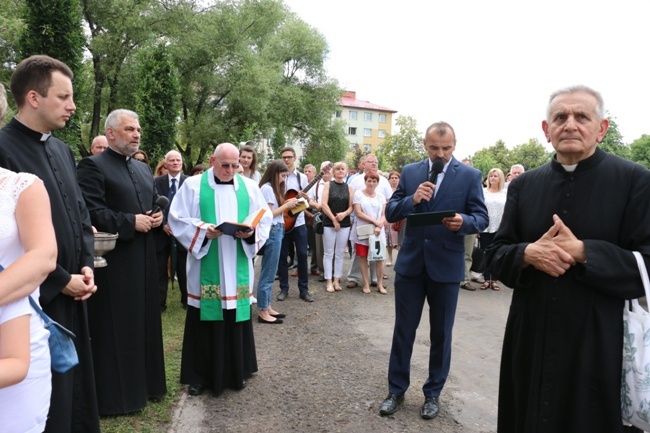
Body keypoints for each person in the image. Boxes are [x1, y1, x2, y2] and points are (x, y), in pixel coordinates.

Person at [485, 85, 650, 433]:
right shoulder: (524, 186)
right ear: (546, 131)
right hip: (531, 336)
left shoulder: (635, 181)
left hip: (600, 343)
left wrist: (586, 252)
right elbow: (495, 256)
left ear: (601, 128)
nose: (570, 124)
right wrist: (526, 253)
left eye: (582, 117)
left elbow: (647, 266)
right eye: (560, 117)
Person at [0, 55, 101, 433]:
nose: (72, 106)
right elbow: (16, 242)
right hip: (28, 296)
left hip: (76, 286)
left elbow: (79, 213)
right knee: (43, 396)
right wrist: (62, 279)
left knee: (75, 383)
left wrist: (87, 263)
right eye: (64, 97)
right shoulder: (4, 148)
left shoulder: (61, 149)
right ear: (34, 97)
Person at [380, 121, 488, 420]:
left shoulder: (469, 175)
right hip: (412, 265)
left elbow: (481, 217)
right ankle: (396, 390)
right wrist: (411, 199)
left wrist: (464, 222)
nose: (440, 154)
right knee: (404, 330)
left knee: (441, 334)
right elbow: (390, 211)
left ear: (455, 145)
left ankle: (433, 394)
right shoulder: (412, 172)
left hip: (446, 267)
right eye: (434, 148)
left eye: (447, 148)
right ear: (425, 145)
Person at [77, 109, 167, 415]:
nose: (137, 134)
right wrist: (130, 222)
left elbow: (151, 204)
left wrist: (157, 216)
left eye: (138, 129)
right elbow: (89, 211)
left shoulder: (142, 170)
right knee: (118, 328)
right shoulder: (92, 166)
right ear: (111, 133)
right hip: (114, 264)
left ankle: (148, 385)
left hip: (144, 259)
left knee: (145, 322)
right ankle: (117, 397)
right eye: (130, 129)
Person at [168, 142, 272, 396]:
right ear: (213, 160)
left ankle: (238, 371)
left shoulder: (248, 186)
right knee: (206, 317)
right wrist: (204, 231)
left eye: (235, 165)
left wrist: (248, 233)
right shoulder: (193, 186)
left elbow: (264, 216)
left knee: (236, 315)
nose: (229, 170)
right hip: (207, 263)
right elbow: (177, 218)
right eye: (224, 165)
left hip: (237, 261)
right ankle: (200, 376)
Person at [257, 160, 298, 323]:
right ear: (274, 174)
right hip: (273, 230)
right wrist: (287, 205)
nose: (283, 180)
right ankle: (262, 310)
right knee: (268, 273)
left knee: (270, 270)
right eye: (282, 176)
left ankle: (266, 306)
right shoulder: (267, 188)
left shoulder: (272, 188)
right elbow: (268, 214)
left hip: (277, 229)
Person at [346, 154, 392, 289]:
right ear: (363, 163)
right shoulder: (355, 180)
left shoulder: (383, 181)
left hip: (379, 224)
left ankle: (375, 279)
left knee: (377, 254)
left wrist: (383, 221)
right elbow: (351, 200)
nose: (374, 164)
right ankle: (354, 278)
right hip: (361, 223)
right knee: (359, 254)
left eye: (376, 162)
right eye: (371, 162)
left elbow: (388, 202)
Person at [276, 147, 314, 302]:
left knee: (303, 255)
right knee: (282, 255)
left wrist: (304, 199)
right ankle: (284, 289)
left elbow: (307, 202)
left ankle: (303, 290)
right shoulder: (278, 176)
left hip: (298, 222)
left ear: (295, 158)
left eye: (289, 157)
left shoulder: (302, 178)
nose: (286, 160)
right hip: (282, 222)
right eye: (284, 157)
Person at [154, 150, 188, 311]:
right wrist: (163, 224)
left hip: (182, 233)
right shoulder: (155, 182)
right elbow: (153, 204)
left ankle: (187, 300)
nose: (175, 162)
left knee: (184, 267)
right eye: (172, 160)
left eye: (178, 160)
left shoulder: (189, 182)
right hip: (162, 232)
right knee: (160, 268)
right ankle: (159, 302)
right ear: (165, 164)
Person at [350, 171, 387, 294]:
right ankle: (366, 284)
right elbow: (359, 213)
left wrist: (379, 224)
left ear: (377, 183)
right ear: (365, 181)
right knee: (363, 257)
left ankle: (380, 284)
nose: (371, 183)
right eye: (369, 181)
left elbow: (383, 214)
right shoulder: (358, 194)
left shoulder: (381, 197)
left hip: (377, 232)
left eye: (374, 181)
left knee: (379, 258)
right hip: (363, 231)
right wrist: (375, 222)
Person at [320, 161, 353, 292]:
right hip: (329, 222)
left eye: (342, 169)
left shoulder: (349, 187)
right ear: (333, 172)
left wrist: (344, 214)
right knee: (328, 253)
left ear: (346, 172)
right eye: (338, 169)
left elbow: (351, 206)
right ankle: (328, 281)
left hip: (344, 223)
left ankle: (336, 280)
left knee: (339, 253)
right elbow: (324, 204)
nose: (340, 171)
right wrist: (334, 219)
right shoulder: (328, 185)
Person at [478, 168, 507, 291]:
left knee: (497, 254)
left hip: (500, 227)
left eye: (495, 176)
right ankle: (486, 279)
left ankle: (494, 280)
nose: (493, 178)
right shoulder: (483, 192)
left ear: (500, 178)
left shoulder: (505, 193)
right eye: (491, 176)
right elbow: (479, 209)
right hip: (485, 227)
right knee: (486, 253)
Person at [386, 170, 401, 267]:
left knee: (400, 239)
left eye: (396, 178)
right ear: (389, 180)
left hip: (400, 217)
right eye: (392, 178)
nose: (394, 180)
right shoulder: (387, 190)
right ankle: (390, 257)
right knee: (389, 239)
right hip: (390, 216)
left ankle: (399, 259)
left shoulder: (402, 190)